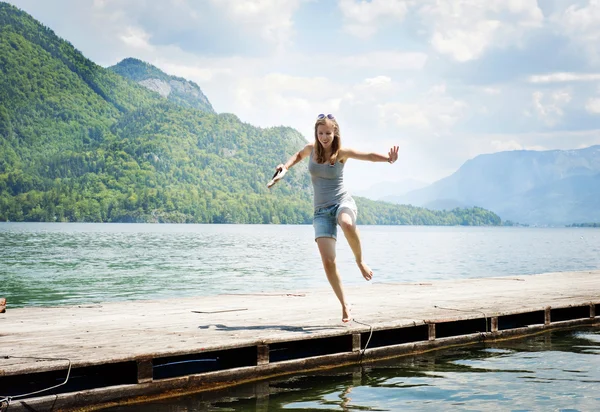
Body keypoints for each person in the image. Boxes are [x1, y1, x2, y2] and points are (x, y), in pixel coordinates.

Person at [270, 113, 399, 323]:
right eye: (320, 133)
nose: (324, 137)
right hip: (321, 212)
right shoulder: (311, 149)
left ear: (335, 132)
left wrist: (388, 159)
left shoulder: (341, 152)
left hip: (342, 203)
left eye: (328, 133)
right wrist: (285, 167)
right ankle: (344, 304)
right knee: (328, 261)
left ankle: (360, 261)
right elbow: (297, 155)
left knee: (347, 223)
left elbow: (367, 155)